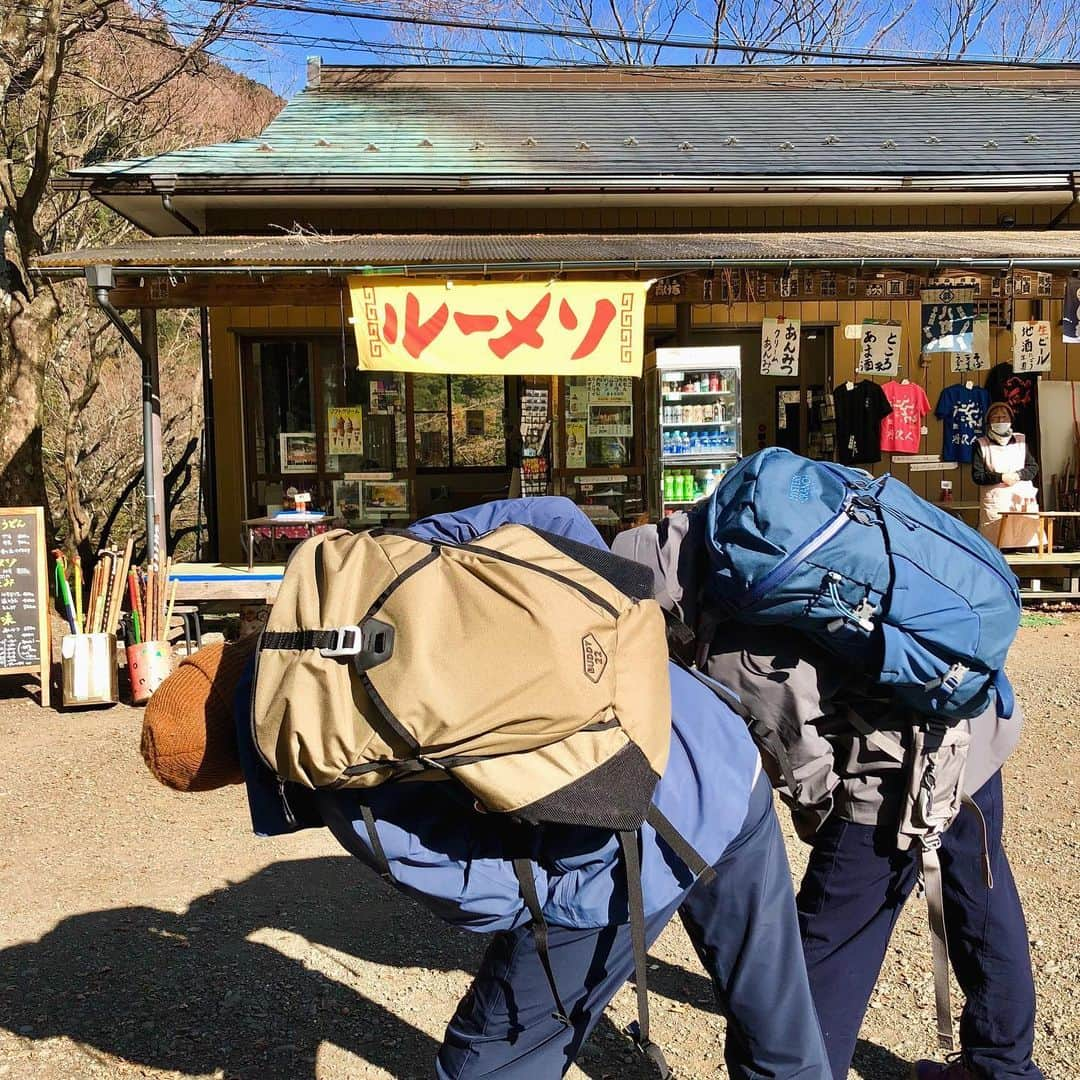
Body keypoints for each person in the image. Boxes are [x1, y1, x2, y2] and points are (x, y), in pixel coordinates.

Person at [140, 497, 829, 1079]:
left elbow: (480, 893)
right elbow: (553, 514)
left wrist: (554, 852)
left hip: (626, 839)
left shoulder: (332, 765)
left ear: (241, 767)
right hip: (712, 743)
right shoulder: (368, 567)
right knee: (778, 1025)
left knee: (487, 1062)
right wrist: (607, 645)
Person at [614, 512, 1043, 1080]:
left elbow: (805, 764)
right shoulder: (744, 525)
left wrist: (826, 826)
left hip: (898, 775)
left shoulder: (728, 634)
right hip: (970, 714)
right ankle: (1003, 1067)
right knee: (982, 899)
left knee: (823, 952)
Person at [972, 402, 1041, 549]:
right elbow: (978, 476)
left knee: (1024, 542)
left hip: (1020, 503)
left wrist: (1018, 475)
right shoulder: (981, 444)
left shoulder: (1021, 441)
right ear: (989, 422)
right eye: (995, 418)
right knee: (996, 544)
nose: (1000, 421)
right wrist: (1000, 477)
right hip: (996, 503)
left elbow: (1033, 467)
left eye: (1004, 417)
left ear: (1010, 419)